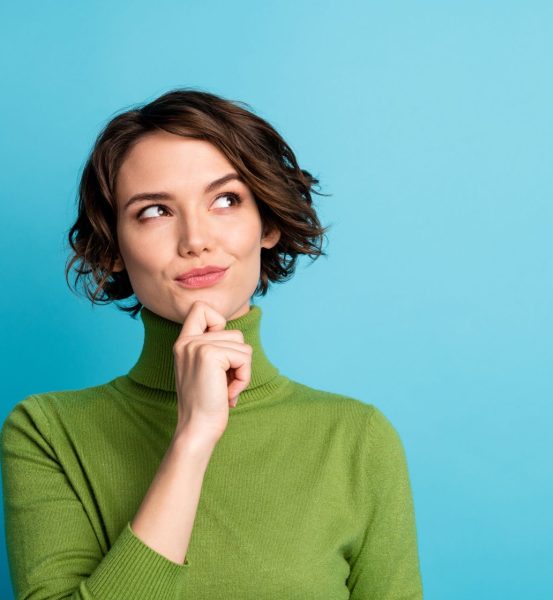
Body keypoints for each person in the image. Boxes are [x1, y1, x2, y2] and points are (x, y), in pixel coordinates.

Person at [0, 88, 423, 599]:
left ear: (266, 222)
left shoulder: (357, 438)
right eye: (155, 211)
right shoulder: (48, 432)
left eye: (226, 200)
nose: (195, 239)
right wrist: (192, 438)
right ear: (113, 249)